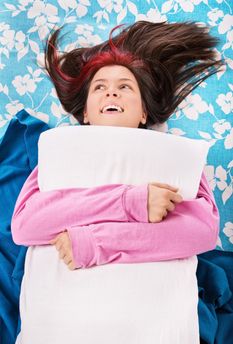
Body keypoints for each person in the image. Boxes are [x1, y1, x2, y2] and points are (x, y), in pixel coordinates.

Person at [11, 20, 224, 271]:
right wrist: (131, 203)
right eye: (100, 87)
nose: (111, 93)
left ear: (144, 112)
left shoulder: (171, 153)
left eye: (124, 86)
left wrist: (97, 242)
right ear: (86, 113)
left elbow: (202, 231)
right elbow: (26, 226)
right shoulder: (62, 149)